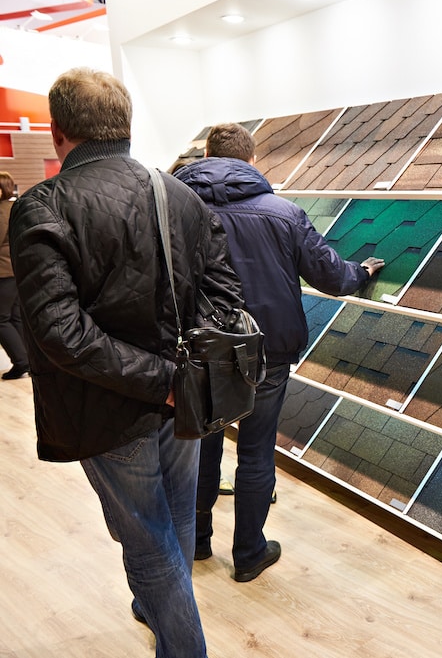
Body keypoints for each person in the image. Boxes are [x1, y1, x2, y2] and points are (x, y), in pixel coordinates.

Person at [9, 68, 245, 657]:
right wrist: (180, 378)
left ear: (58, 129)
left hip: (111, 408)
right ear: (126, 123)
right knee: (169, 526)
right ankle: (162, 610)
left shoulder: (44, 204)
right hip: (183, 399)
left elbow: (60, 332)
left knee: (146, 541)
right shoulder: (180, 194)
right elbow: (227, 299)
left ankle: (181, 643)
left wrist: (165, 381)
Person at [175, 122, 384, 582]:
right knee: (255, 452)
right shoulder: (283, 212)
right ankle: (249, 554)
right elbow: (330, 276)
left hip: (201, 351)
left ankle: (198, 542)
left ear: (207, 156)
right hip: (267, 349)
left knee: (202, 444)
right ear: (252, 162)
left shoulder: (175, 208)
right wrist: (363, 272)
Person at [0, 171, 30, 380]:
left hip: (3, 271)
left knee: (1, 319)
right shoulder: (17, 206)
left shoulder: (1, 211)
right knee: (16, 316)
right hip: (18, 268)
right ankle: (27, 360)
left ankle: (21, 362)